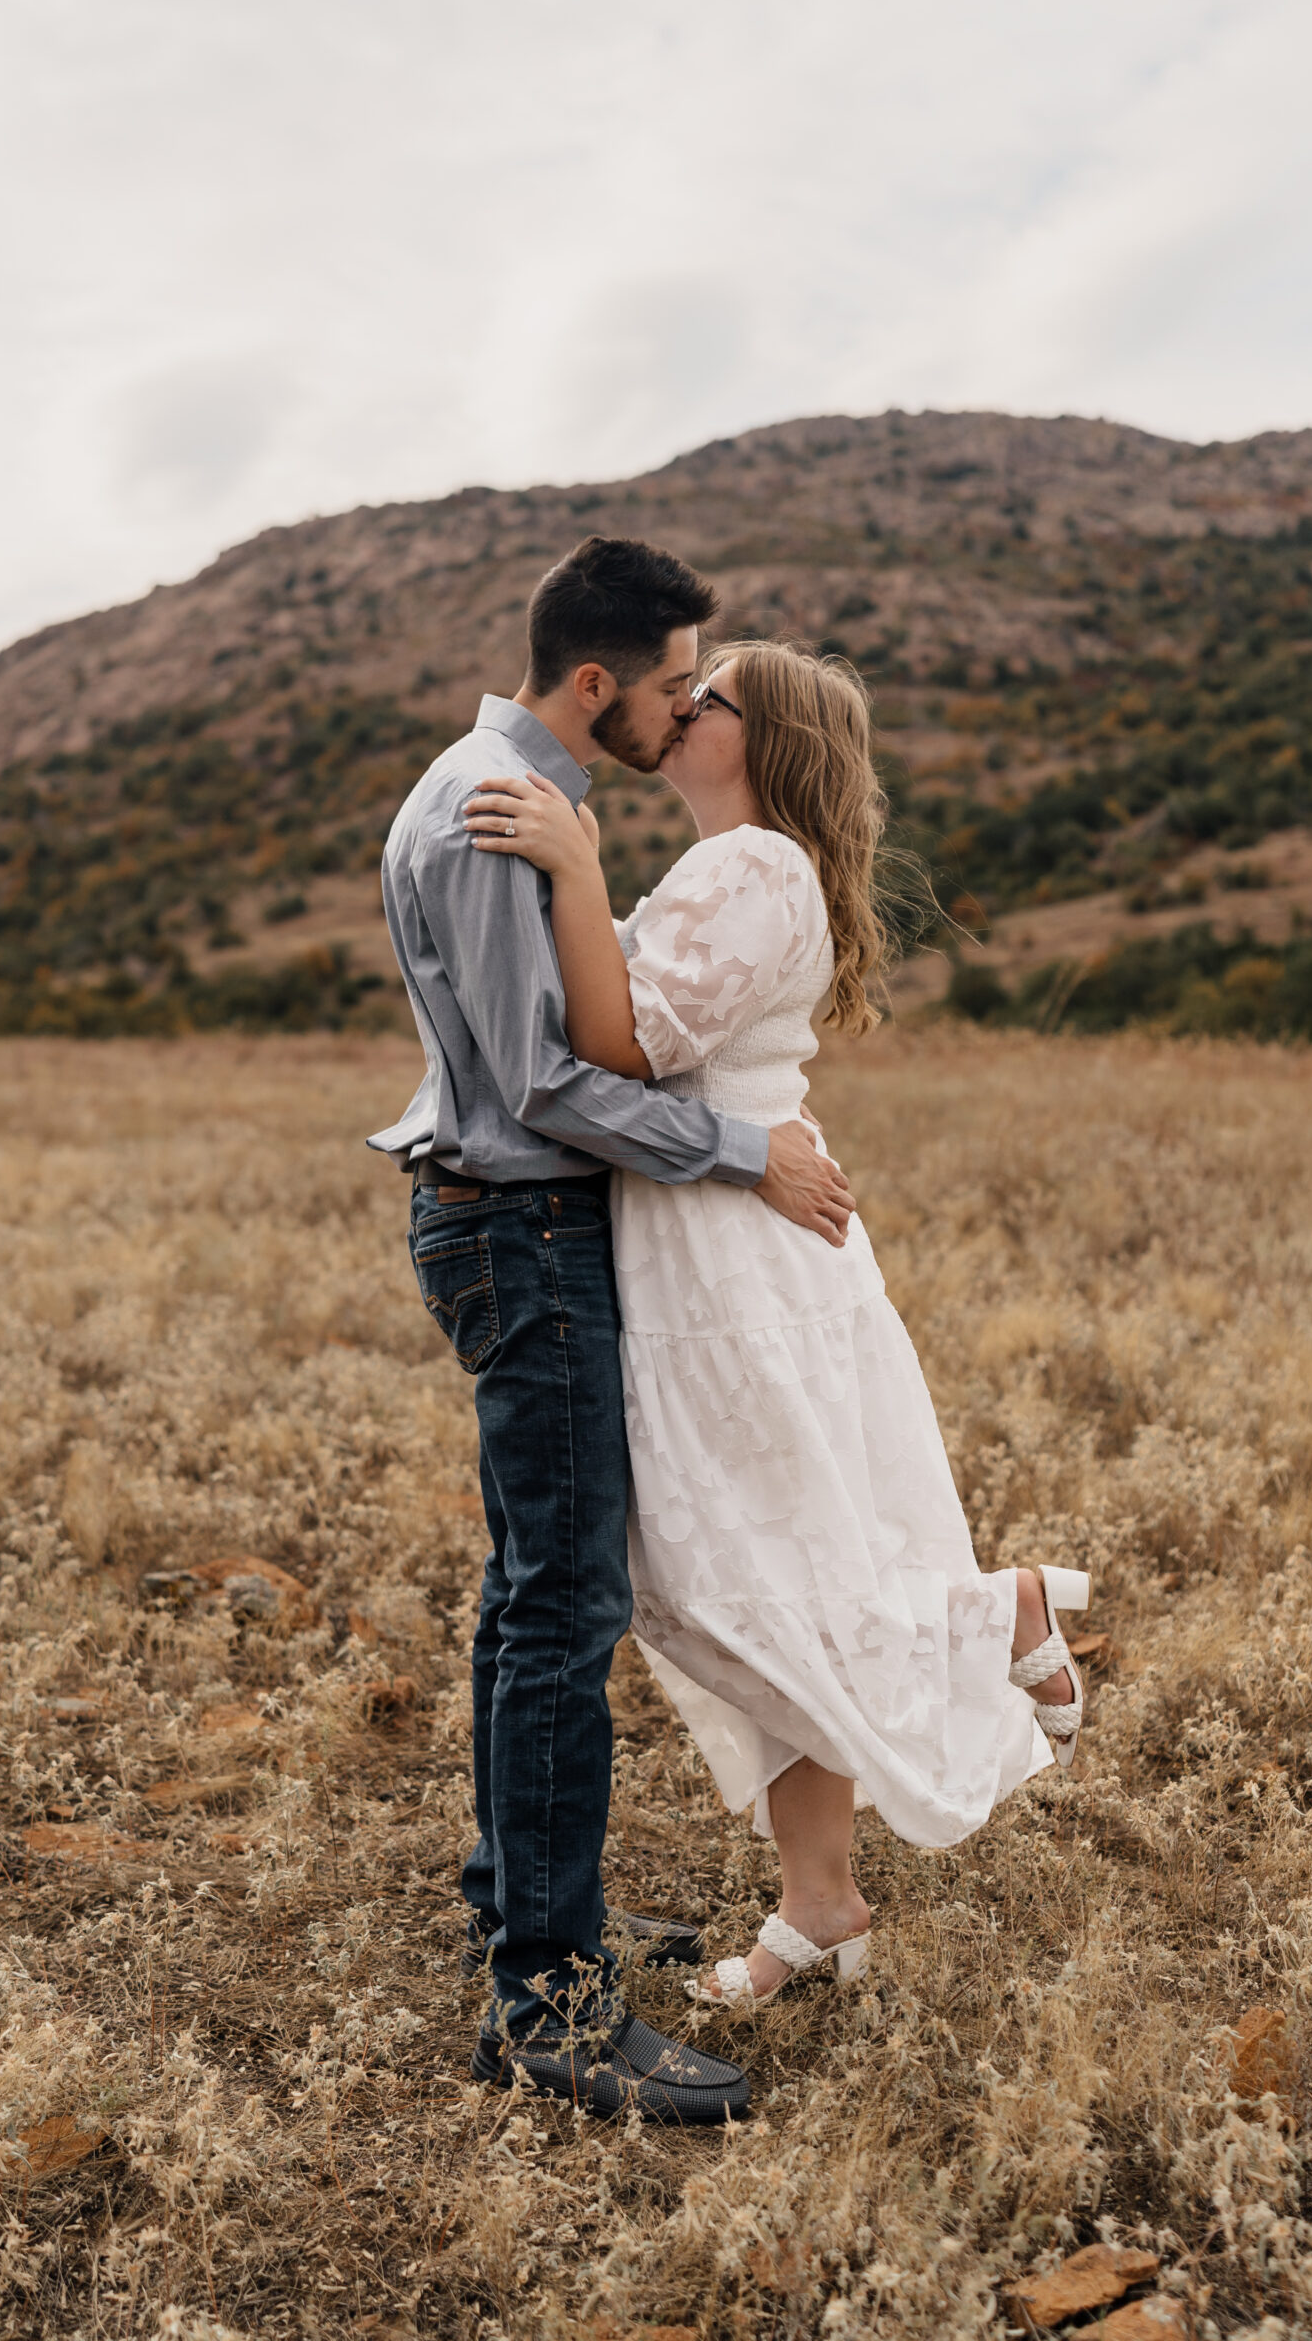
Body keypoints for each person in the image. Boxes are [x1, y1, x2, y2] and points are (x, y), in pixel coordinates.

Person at [462, 639, 1090, 2012]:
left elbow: (628, 1044)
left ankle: (999, 1614)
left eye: (713, 696)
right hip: (724, 1230)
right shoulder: (734, 865)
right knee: (763, 1557)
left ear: (765, 740)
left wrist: (571, 872)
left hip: (733, 1255)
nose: (683, 706)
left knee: (736, 1567)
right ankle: (822, 1903)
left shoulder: (749, 865)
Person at [369, 537, 857, 2120]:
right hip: (518, 1226)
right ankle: (552, 2002)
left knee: (532, 1599)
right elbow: (546, 1083)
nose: (679, 708)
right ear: (600, 684)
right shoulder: (500, 815)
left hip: (508, 1223)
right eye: (668, 684)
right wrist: (746, 1152)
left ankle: (524, 1914)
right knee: (563, 1615)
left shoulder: (497, 791)